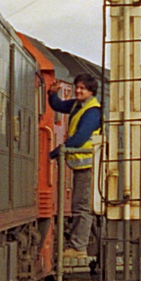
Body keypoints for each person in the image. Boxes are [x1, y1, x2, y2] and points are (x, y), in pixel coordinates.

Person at [49, 73, 102, 264]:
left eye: (82, 88)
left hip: (89, 166)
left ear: (91, 91)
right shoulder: (77, 106)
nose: (78, 90)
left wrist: (55, 153)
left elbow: (80, 138)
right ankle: (81, 244)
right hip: (81, 166)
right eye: (77, 87)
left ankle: (78, 248)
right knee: (80, 206)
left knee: (82, 208)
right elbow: (58, 106)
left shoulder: (92, 111)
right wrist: (52, 94)